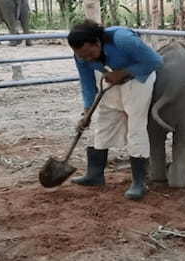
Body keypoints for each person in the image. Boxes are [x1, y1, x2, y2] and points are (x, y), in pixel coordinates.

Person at [67, 19, 163, 200]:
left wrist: (125, 72)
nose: (86, 59)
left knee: (136, 126)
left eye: (89, 54)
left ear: (97, 42)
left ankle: (139, 182)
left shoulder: (122, 39)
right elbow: (87, 83)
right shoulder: (80, 55)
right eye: (82, 56)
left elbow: (155, 61)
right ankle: (94, 175)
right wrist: (87, 109)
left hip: (138, 80)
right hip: (109, 78)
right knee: (103, 122)